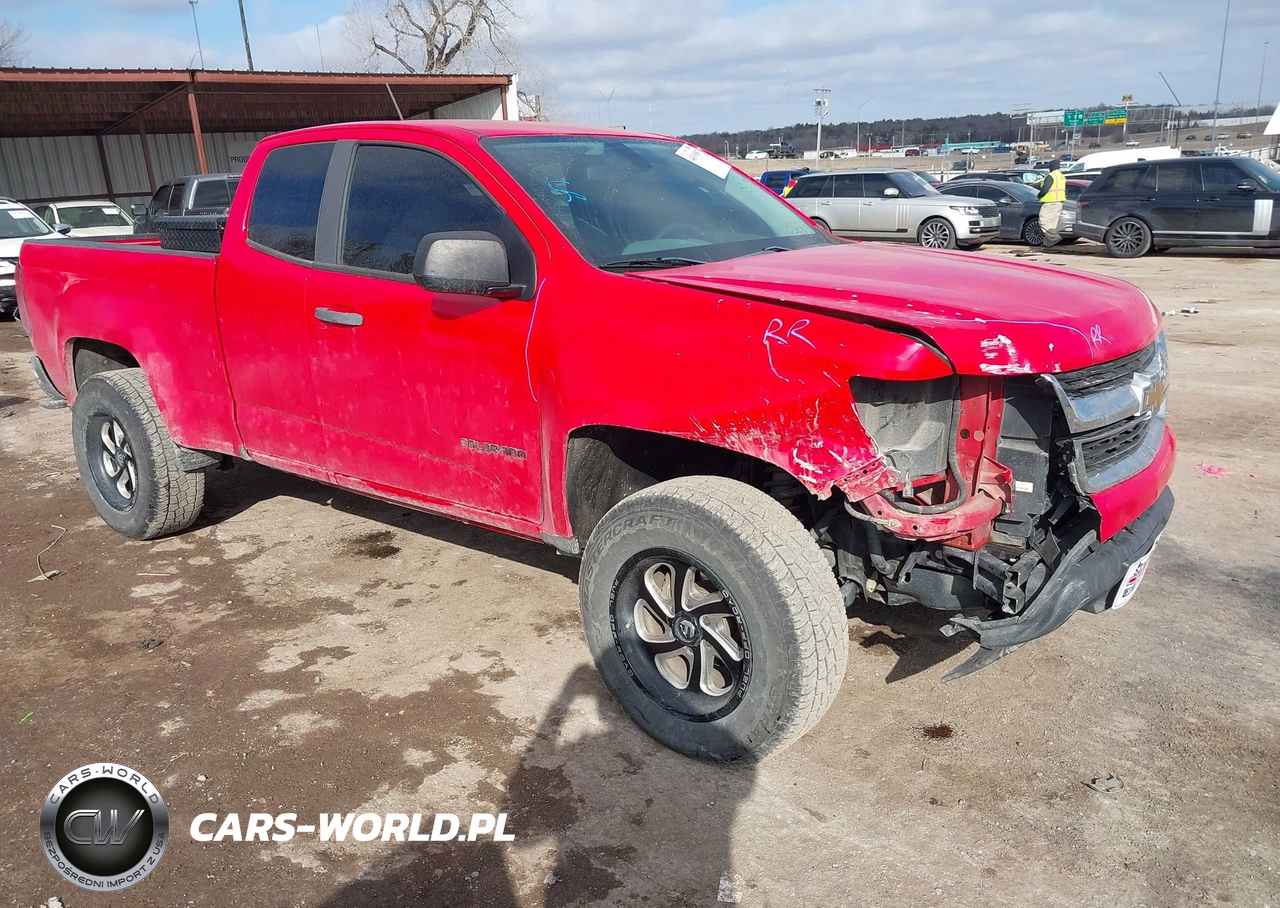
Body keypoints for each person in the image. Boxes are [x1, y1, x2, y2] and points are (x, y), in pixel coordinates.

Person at [1035, 159, 1067, 248]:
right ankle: (1047, 244)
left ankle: (1054, 237)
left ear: (1051, 167)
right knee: (1052, 224)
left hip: (1050, 202)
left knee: (1043, 221)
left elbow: (1045, 189)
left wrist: (1039, 195)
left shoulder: (1051, 176)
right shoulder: (1061, 176)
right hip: (1059, 202)